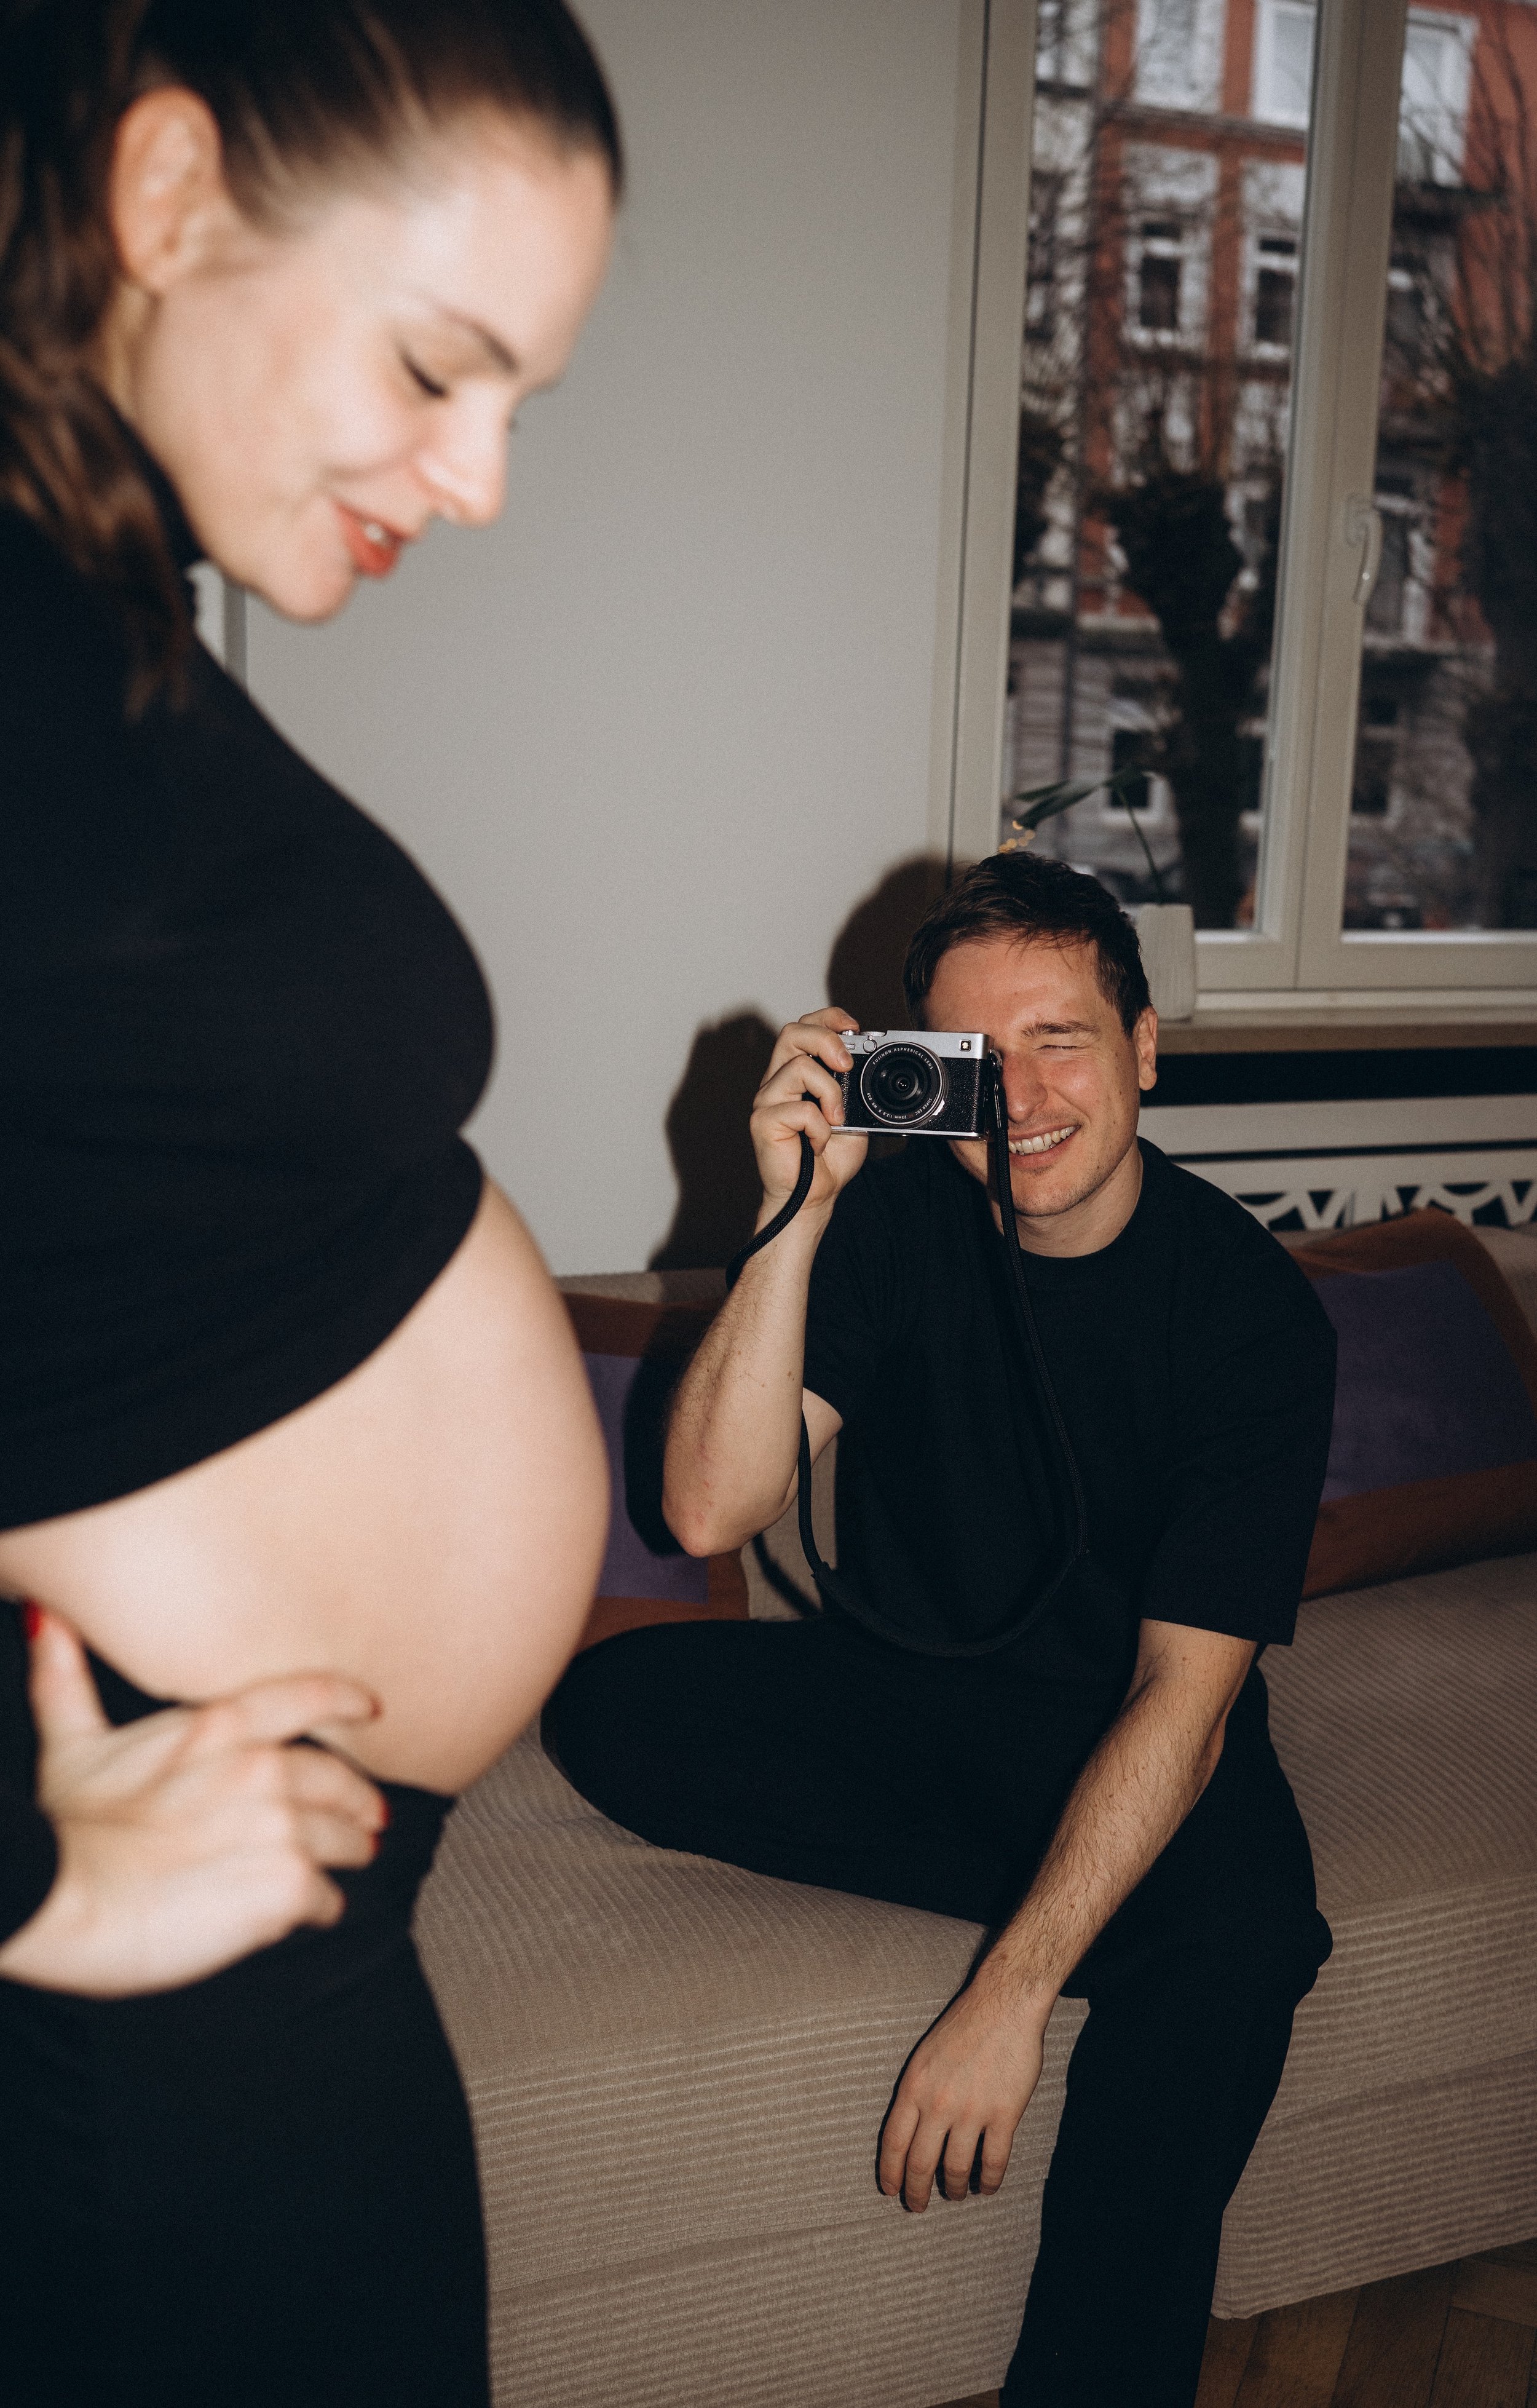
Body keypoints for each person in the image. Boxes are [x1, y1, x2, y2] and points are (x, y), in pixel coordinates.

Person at [0, 5, 619, 2401]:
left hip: (314, 1926)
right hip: (128, 1997)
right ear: (166, 200)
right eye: (438, 366)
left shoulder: (103, 609)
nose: (477, 482)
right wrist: (36, 1869)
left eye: (521, 407)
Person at [545, 853, 1338, 2408]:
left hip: (1130, 1722)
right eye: (982, 1054)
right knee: (614, 1707)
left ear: (1144, 1049)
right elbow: (710, 1509)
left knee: (1243, 1937)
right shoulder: (904, 1219)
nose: (1025, 1092)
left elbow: (1187, 1693)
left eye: (1064, 1037)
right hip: (914, 1703)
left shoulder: (1248, 1314)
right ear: (928, 1072)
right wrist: (790, 1211)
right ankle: (1103, 1908)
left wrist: (1009, 1991)